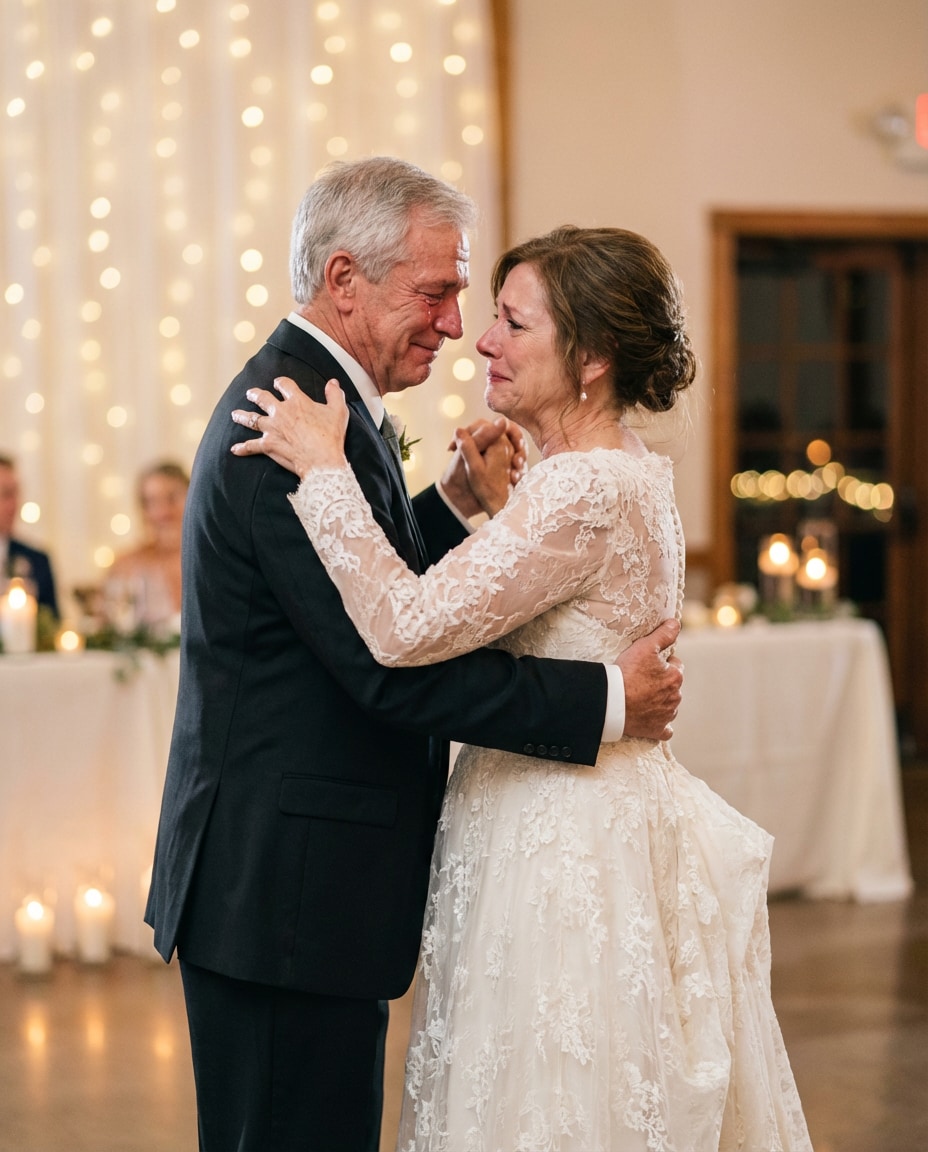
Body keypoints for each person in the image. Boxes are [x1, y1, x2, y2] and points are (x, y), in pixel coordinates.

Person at [234, 225, 813, 1149]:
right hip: (588, 813)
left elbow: (406, 626)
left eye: (511, 322)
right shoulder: (615, 474)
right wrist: (474, 503)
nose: (482, 340)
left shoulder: (577, 490)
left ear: (588, 358)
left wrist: (329, 473)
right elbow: (530, 607)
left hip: (560, 843)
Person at [145, 158, 683, 1152]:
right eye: (435, 292)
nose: (454, 323)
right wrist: (602, 704)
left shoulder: (322, 410)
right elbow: (378, 659)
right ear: (345, 280)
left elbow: (377, 591)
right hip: (282, 894)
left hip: (305, 885)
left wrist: (445, 508)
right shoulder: (287, 428)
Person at [105, 461, 188, 631]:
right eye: (152, 502)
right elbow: (109, 630)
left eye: (172, 498)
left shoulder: (215, 561)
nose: (163, 512)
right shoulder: (126, 566)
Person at [0, 453, 59, 618]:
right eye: (6, 494)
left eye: (16, 493)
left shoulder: (38, 560)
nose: (15, 503)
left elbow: (52, 625)